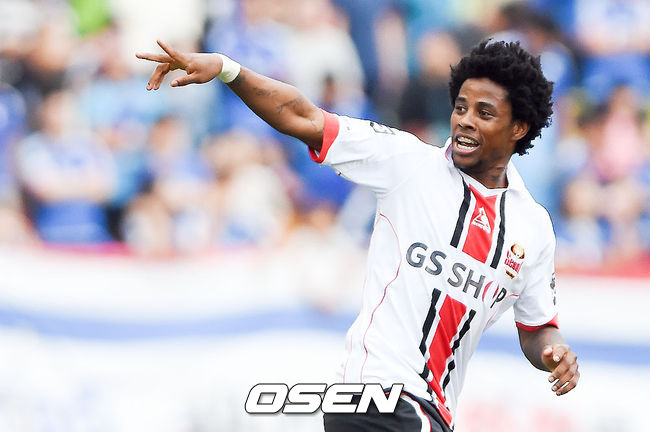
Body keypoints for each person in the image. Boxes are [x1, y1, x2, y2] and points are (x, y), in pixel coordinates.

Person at [137, 39, 579, 431]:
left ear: (518, 128)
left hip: (433, 414)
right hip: (378, 396)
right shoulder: (408, 163)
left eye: (484, 113)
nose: (464, 121)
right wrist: (228, 69)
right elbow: (304, 116)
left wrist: (554, 352)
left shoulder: (533, 227)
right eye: (460, 107)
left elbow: (537, 326)